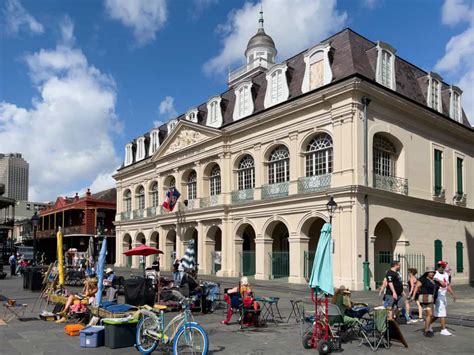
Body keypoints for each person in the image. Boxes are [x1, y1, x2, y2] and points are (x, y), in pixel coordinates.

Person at [431, 260, 456, 336]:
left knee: (437, 314)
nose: (443, 268)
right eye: (442, 266)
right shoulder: (435, 274)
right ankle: (443, 329)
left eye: (444, 266)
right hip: (437, 296)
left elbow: (447, 284)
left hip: (443, 295)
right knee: (442, 313)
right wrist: (437, 280)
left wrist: (452, 293)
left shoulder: (446, 274)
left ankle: (428, 324)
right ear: (438, 266)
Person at [412, 266, 438, 337]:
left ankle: (427, 327)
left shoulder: (434, 280)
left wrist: (439, 281)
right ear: (427, 273)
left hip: (431, 300)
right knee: (429, 314)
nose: (432, 273)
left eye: (433, 272)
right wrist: (413, 296)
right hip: (424, 299)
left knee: (433, 315)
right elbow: (416, 287)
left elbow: (443, 286)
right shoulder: (423, 279)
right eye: (430, 272)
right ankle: (426, 331)